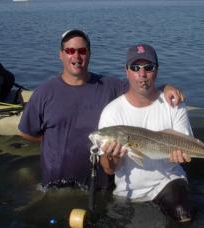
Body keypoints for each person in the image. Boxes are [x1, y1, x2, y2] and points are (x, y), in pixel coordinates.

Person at [18, 29, 184, 190]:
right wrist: (53, 142)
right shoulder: (44, 92)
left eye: (82, 51)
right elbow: (26, 133)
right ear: (60, 54)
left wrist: (167, 87)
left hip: (99, 186)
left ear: (89, 54)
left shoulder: (108, 86)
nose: (76, 56)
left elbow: (141, 84)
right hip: (54, 185)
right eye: (70, 50)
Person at [98, 44, 199, 223]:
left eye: (148, 68)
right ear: (126, 71)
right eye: (135, 68)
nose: (142, 74)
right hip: (129, 191)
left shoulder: (173, 103)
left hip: (168, 181)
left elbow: (185, 143)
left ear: (157, 71)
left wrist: (181, 155)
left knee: (183, 215)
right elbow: (108, 169)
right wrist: (111, 158)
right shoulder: (111, 112)